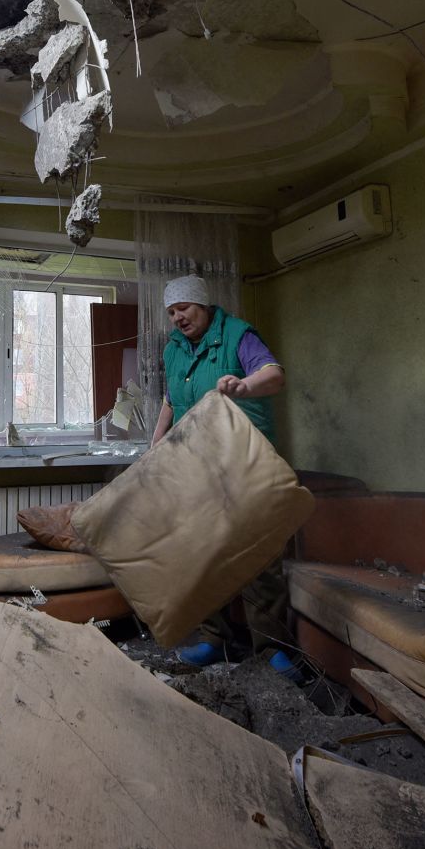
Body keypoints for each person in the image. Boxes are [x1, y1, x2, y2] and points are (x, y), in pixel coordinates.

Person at [149, 275, 299, 676]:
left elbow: (274, 373)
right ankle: (212, 639)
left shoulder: (237, 335)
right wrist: (156, 442)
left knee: (259, 555)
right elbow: (170, 398)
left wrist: (243, 386)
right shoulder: (173, 349)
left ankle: (273, 649)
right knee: (201, 552)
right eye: (171, 312)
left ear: (203, 304)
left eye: (184, 308)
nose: (178, 317)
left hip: (244, 459)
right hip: (194, 462)